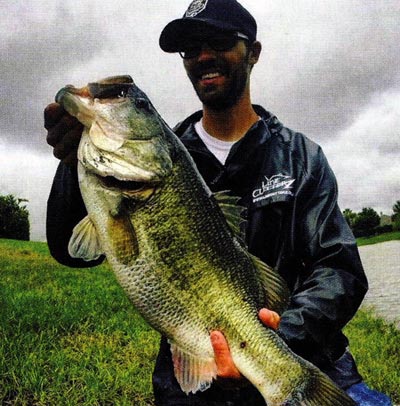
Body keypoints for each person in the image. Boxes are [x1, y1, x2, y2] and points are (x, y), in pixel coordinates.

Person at [44, 0, 392, 404]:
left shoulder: (301, 156)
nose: (204, 56)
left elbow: (339, 269)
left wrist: (279, 336)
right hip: (194, 373)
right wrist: (72, 164)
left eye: (220, 41)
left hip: (311, 357)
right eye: (191, 49)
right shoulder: (164, 157)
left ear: (254, 53)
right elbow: (71, 252)